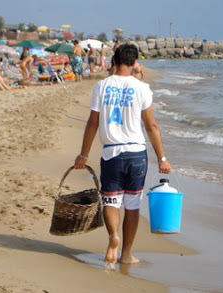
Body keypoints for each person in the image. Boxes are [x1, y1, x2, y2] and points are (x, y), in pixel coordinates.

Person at [73, 43, 171, 266]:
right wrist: (162, 158)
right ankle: (126, 254)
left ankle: (112, 237)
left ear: (114, 61)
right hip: (136, 153)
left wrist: (83, 155)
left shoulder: (101, 86)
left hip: (111, 153)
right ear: (134, 63)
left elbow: (92, 123)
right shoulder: (142, 88)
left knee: (111, 200)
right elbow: (151, 126)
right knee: (132, 204)